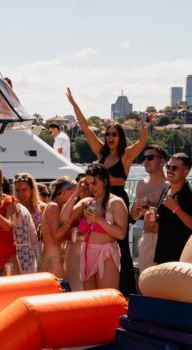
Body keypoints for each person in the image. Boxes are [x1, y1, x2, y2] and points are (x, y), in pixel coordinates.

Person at [66, 88, 148, 295]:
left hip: (118, 199)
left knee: (121, 245)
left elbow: (142, 143)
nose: (110, 136)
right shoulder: (101, 152)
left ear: (120, 136)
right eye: (108, 134)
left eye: (114, 134)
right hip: (100, 199)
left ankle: (126, 291)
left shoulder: (126, 155)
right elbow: (86, 130)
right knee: (98, 237)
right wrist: (75, 106)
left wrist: (145, 124)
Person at [61, 163, 128, 290]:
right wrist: (75, 193)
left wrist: (98, 219)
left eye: (95, 183)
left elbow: (121, 234)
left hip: (106, 253)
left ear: (105, 181)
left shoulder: (116, 203)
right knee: (91, 299)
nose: (91, 188)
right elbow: (64, 217)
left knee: (105, 297)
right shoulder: (86, 202)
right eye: (88, 184)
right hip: (87, 252)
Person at [153, 153, 192, 264]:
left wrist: (176, 208)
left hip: (183, 258)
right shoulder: (165, 190)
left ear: (186, 171)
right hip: (162, 255)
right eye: (168, 167)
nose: (169, 170)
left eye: (174, 168)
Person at [130, 145, 168, 272]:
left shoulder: (171, 185)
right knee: (145, 281)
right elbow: (134, 217)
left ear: (162, 161)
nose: (145, 161)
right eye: (144, 158)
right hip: (146, 237)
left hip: (165, 238)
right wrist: (135, 208)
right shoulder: (141, 185)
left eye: (150, 158)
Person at [40, 177, 77, 278]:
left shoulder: (53, 206)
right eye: (72, 194)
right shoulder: (53, 207)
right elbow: (56, 236)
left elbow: (54, 238)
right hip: (53, 261)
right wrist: (68, 223)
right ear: (64, 191)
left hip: (52, 259)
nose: (75, 198)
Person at [14, 173, 46, 269]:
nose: (20, 194)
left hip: (39, 250)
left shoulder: (41, 208)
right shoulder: (13, 208)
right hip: (19, 252)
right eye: (17, 190)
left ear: (32, 190)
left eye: (24, 190)